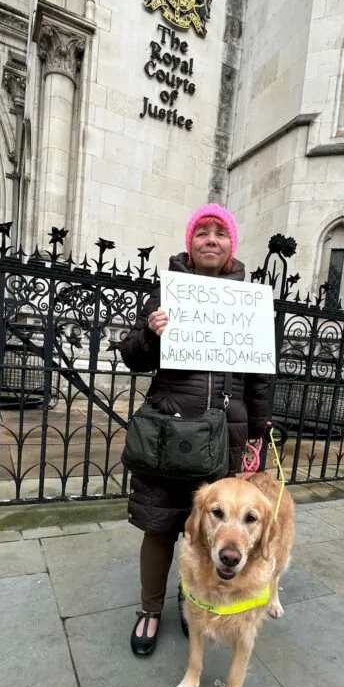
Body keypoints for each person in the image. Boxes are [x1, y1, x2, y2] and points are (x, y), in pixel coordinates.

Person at [119, 204, 271, 656]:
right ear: (190, 243)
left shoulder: (249, 301)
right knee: (159, 523)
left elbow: (261, 376)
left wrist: (260, 432)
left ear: (231, 245)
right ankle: (149, 609)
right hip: (170, 429)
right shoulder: (166, 292)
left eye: (219, 233)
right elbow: (132, 355)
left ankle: (194, 601)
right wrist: (150, 333)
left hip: (226, 432)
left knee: (211, 527)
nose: (210, 239)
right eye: (201, 232)